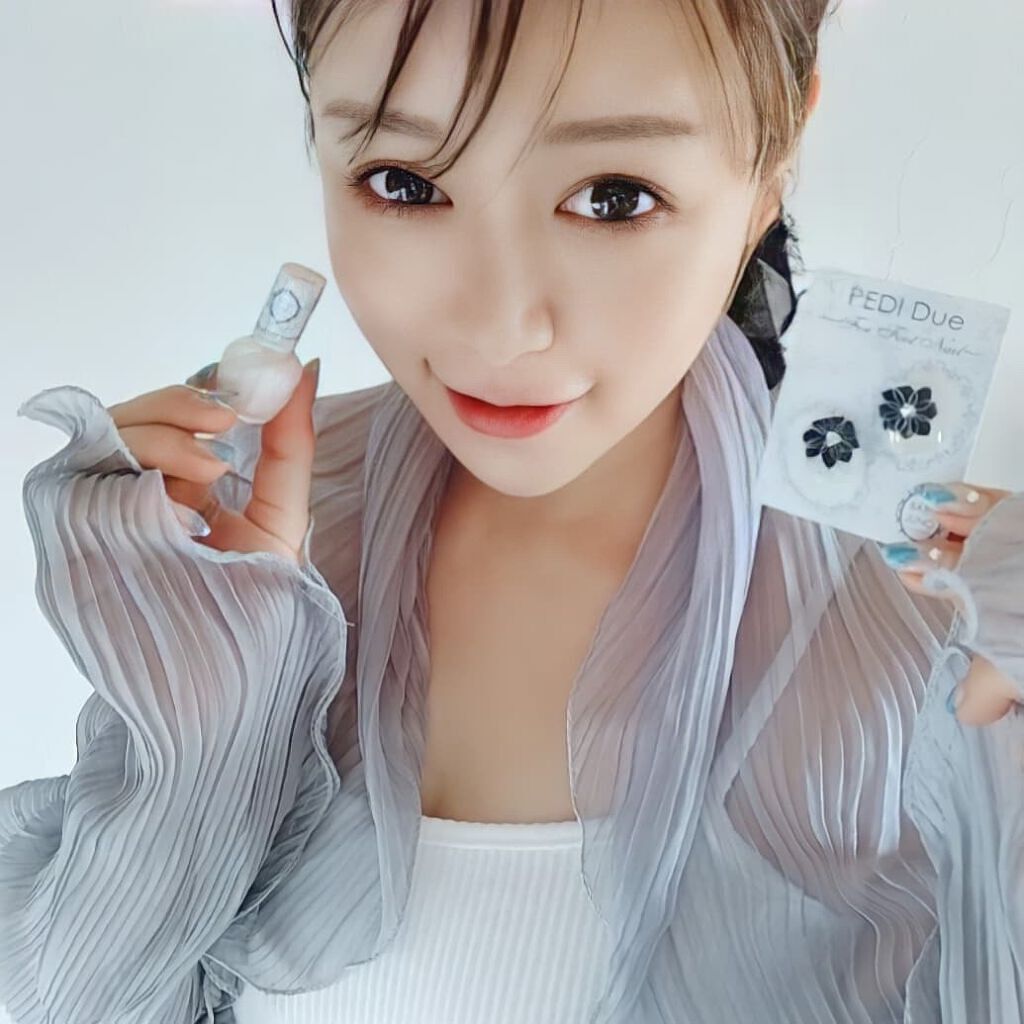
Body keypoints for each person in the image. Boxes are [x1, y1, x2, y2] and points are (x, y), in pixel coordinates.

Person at [2, 1, 1022, 1022]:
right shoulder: (241, 545)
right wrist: (197, 742)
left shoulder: (942, 634)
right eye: (404, 184)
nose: (499, 325)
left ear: (773, 160)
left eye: (614, 198)